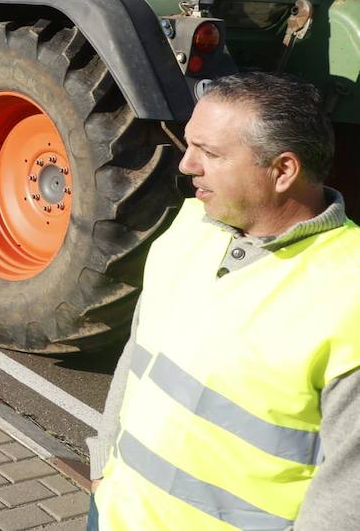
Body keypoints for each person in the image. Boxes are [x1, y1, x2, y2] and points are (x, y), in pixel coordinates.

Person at [89, 73, 360, 530]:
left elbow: (347, 491)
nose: (185, 166)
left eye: (210, 154)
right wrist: (102, 467)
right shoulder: (189, 227)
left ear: (283, 171)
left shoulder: (347, 289)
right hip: (116, 513)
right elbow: (139, 356)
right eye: (190, 146)